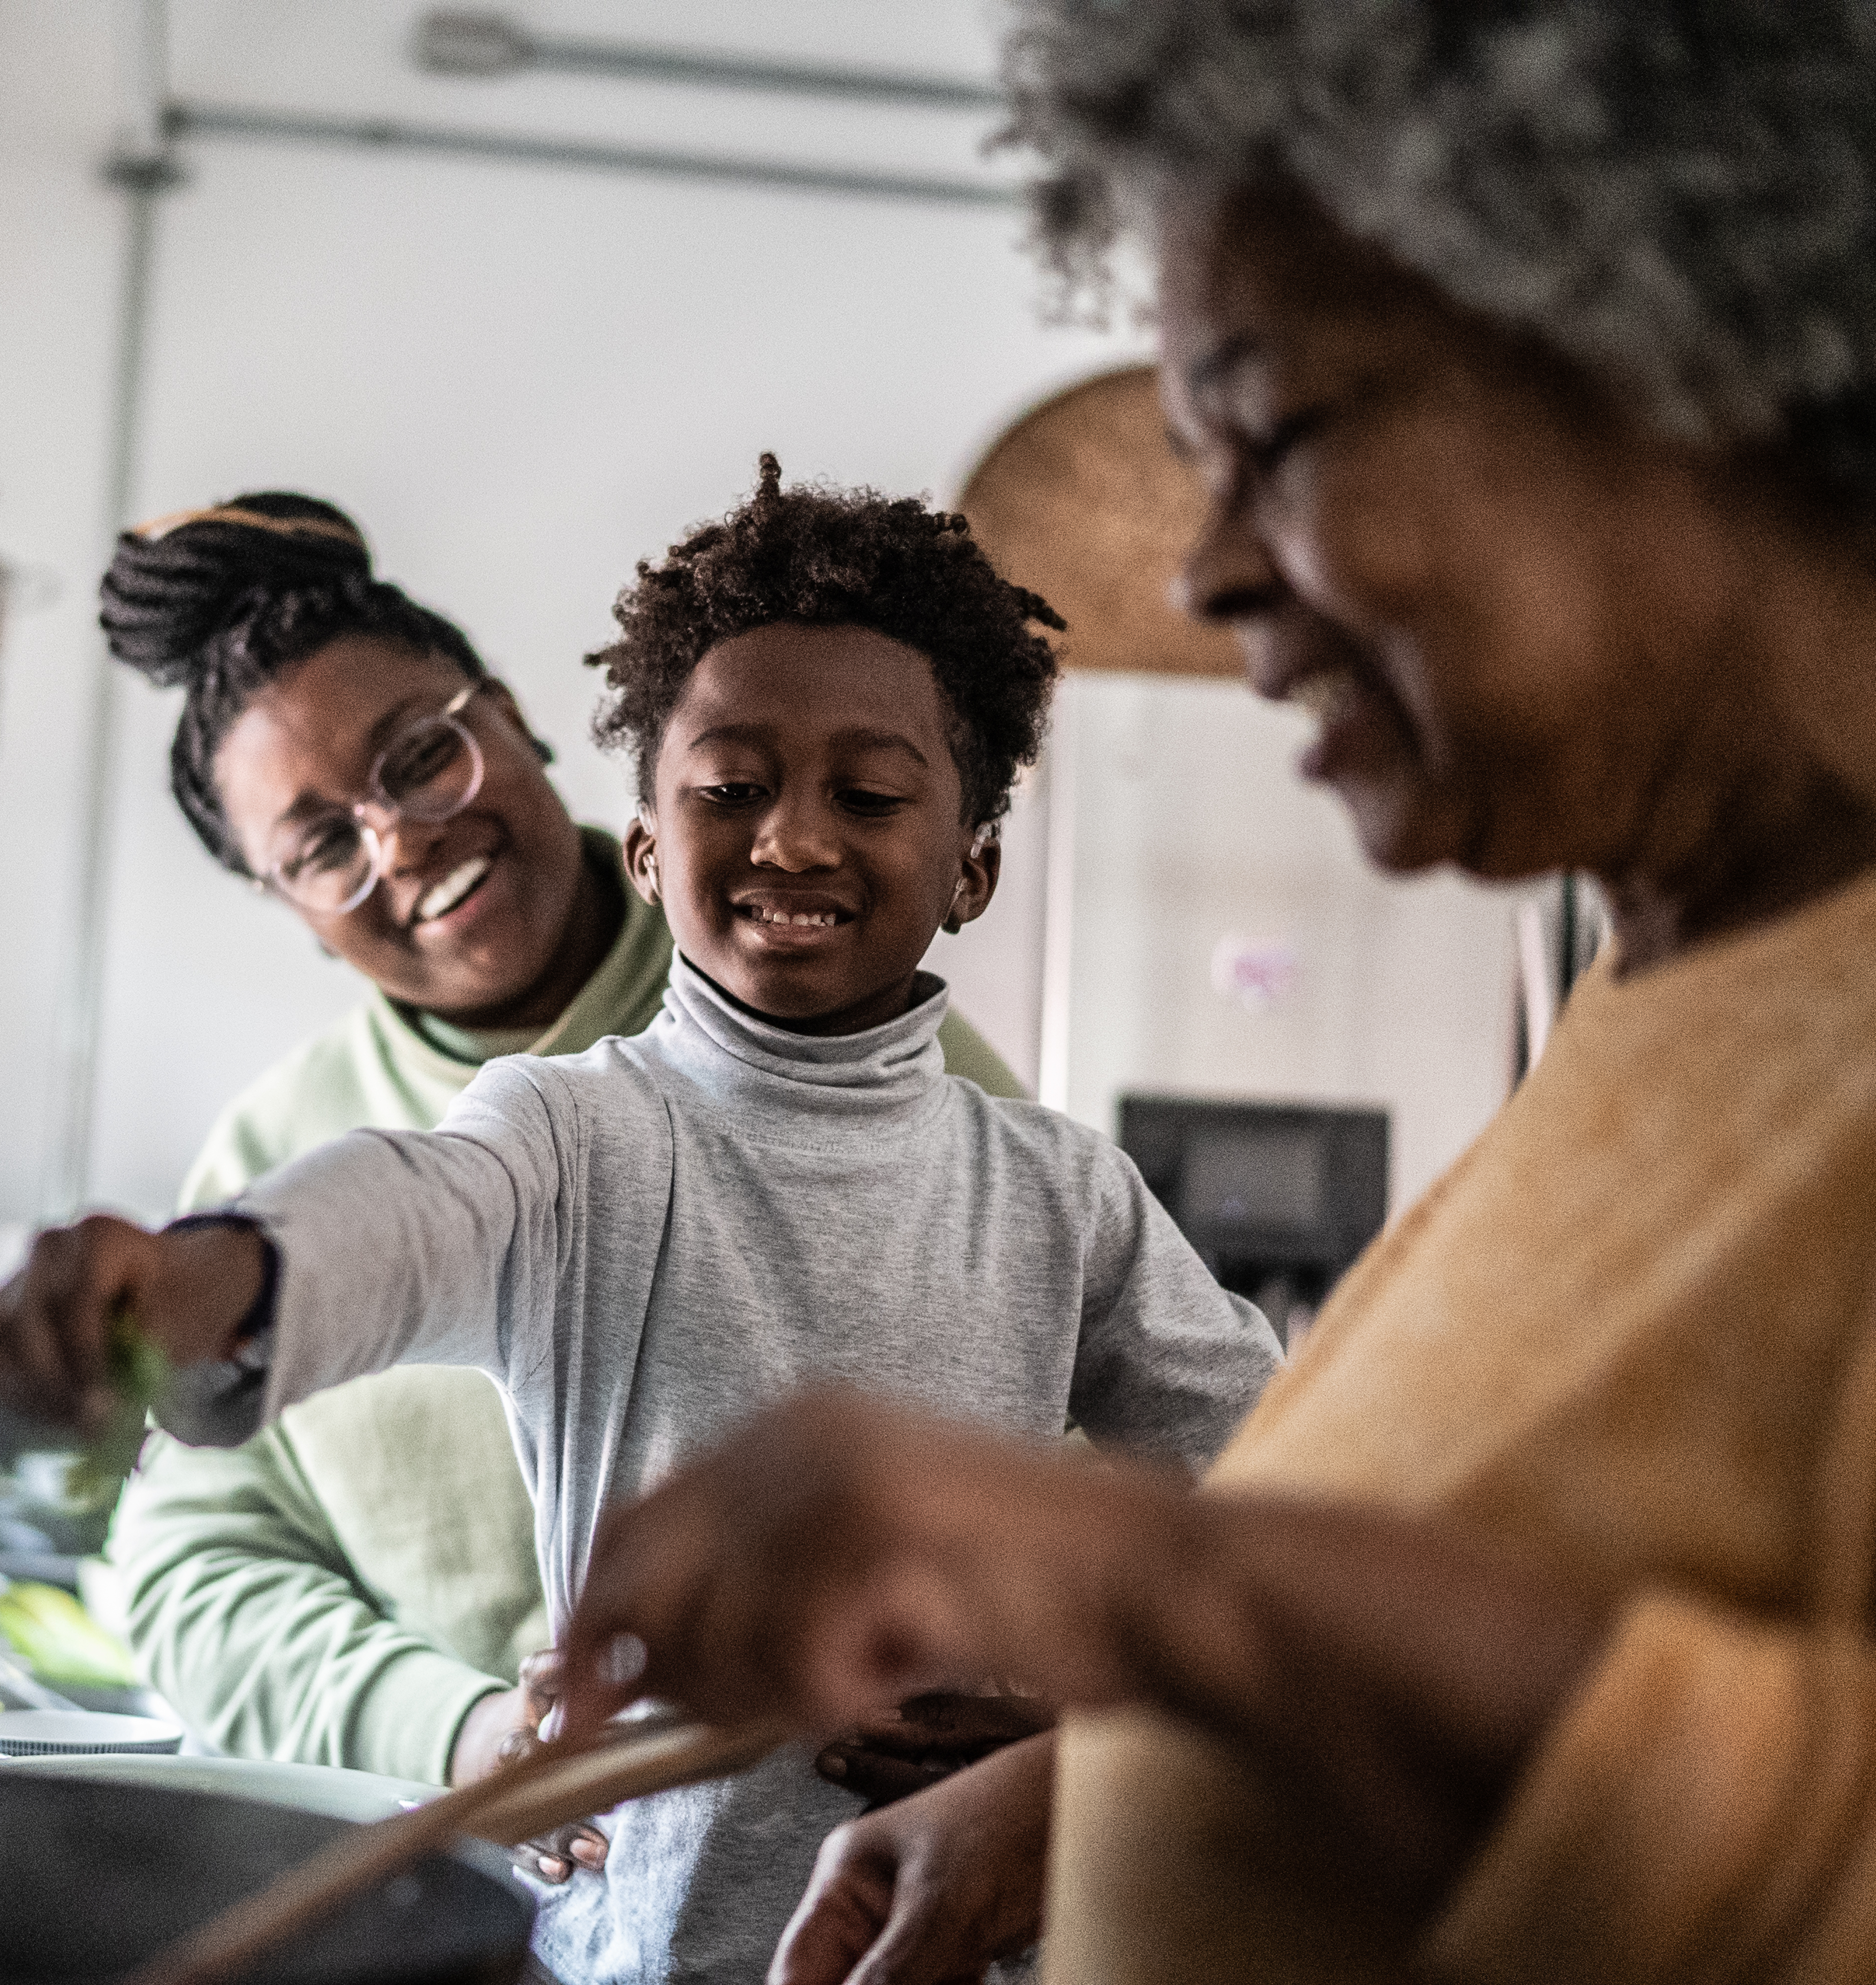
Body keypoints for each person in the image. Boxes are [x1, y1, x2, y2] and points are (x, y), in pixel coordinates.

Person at [548, 5, 1876, 1983]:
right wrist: (1099, 1781)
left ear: (1671, 365)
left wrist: (1150, 1591)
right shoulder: (1666, 994)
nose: (1219, 571)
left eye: (1287, 433)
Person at [0, 463, 1285, 1985]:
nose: (793, 842)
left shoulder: (1064, 1189)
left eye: (867, 796)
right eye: (732, 791)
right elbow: (396, 1217)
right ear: (654, 843)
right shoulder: (568, 1131)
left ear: (972, 863)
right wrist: (189, 1284)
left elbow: (1279, 1502)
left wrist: (1080, 1733)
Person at [95, 496, 1028, 1879]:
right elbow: (186, 1570)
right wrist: (470, 1737)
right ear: (286, 904)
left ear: (513, 719)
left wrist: (1005, 1680)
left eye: (422, 758)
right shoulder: (274, 1165)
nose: (400, 844)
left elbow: (1074, 1464)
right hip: (496, 1913)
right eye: (322, 846)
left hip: (856, 1896)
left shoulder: (863, 1034)